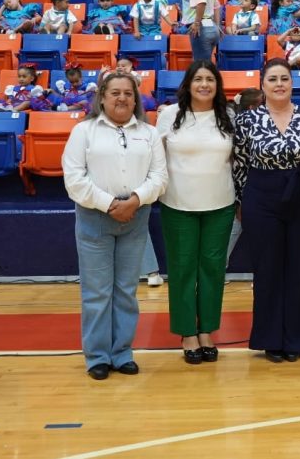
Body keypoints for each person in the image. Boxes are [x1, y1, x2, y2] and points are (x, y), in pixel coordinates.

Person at [63, 73, 167, 380]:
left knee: (125, 291)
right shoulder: (84, 132)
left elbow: (159, 177)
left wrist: (134, 201)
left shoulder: (149, 134)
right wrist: (110, 204)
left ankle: (122, 353)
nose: (122, 98)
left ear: (136, 100)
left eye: (128, 94)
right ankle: (97, 356)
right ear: (103, 98)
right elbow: (74, 179)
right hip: (95, 216)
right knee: (97, 292)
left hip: (136, 216)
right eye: (115, 93)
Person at [233, 59, 300, 363]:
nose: (280, 84)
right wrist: (242, 201)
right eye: (273, 79)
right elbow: (240, 163)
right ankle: (270, 339)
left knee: (299, 268)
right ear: (263, 85)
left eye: (285, 78)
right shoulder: (247, 120)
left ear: (292, 83)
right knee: (268, 268)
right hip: (261, 196)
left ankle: (297, 339)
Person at [156, 61, 237, 366]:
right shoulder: (168, 116)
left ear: (217, 85)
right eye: (198, 79)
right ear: (188, 84)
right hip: (178, 205)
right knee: (182, 270)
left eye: (210, 79)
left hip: (221, 204)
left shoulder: (228, 115)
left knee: (213, 270)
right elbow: (156, 158)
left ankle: (206, 331)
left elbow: (236, 160)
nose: (204, 84)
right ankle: (187, 333)